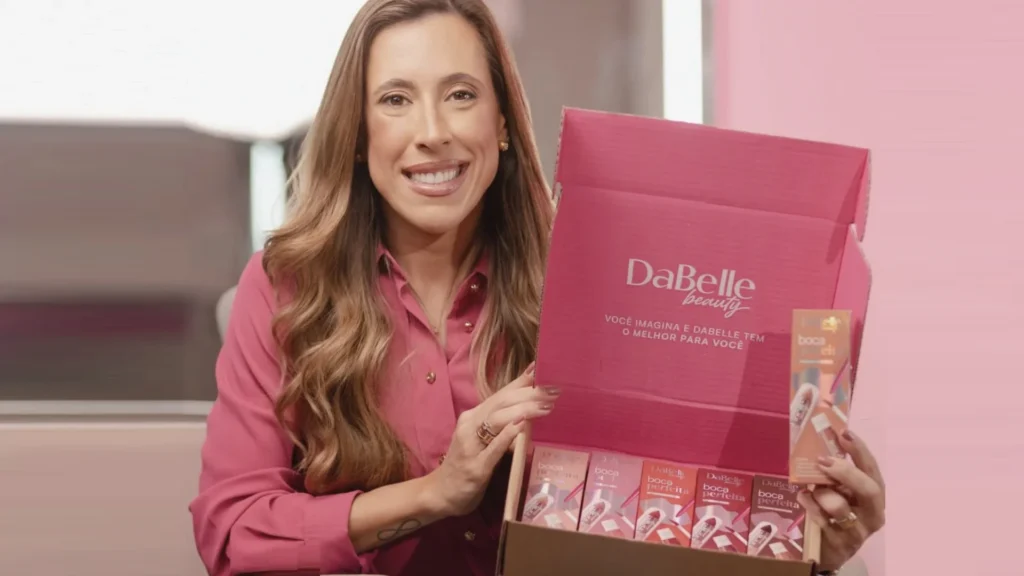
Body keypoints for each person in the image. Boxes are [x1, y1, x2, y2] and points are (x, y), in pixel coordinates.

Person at [189, 1, 885, 575]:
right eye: (396, 100)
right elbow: (232, 532)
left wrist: (809, 548)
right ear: (358, 135)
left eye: (461, 95)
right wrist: (435, 494)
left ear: (501, 124)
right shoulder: (287, 289)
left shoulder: (596, 282)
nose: (432, 132)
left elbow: (667, 521)